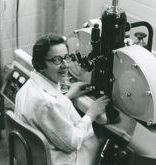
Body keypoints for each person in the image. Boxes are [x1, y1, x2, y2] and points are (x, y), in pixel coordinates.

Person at [14, 33, 110, 165]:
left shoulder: (27, 87)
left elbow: (46, 113)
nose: (65, 65)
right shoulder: (48, 103)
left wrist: (68, 95)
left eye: (66, 57)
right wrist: (91, 113)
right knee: (101, 141)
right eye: (57, 60)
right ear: (41, 64)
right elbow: (73, 143)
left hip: (30, 158)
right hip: (57, 161)